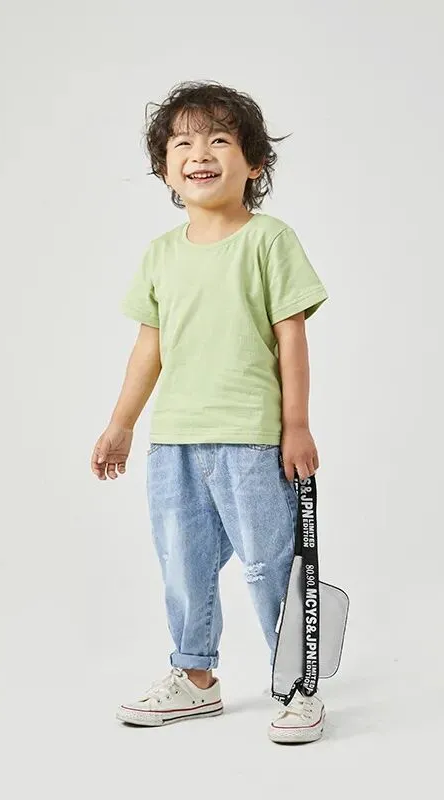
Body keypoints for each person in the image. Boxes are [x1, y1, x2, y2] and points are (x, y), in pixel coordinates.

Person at [91, 81, 328, 744]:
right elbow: (149, 347)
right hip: (175, 442)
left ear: (254, 163)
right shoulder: (161, 254)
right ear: (164, 169)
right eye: (183, 144)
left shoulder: (270, 240)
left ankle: (298, 684)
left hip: (252, 440)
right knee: (182, 563)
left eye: (219, 140)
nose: (200, 153)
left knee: (269, 564)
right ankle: (195, 676)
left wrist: (296, 425)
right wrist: (121, 424)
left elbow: (291, 337)